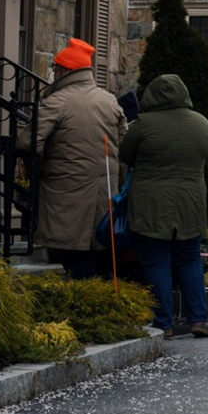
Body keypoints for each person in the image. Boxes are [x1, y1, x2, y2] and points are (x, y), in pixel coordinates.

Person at [21, 38, 133, 280]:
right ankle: (103, 306)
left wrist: (38, 169)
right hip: (106, 194)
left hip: (66, 193)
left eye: (55, 68)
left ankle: (90, 305)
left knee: (73, 254)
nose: (53, 72)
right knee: (99, 253)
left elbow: (27, 142)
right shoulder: (109, 100)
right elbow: (125, 149)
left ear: (64, 70)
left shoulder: (57, 102)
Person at [120, 73, 208, 338]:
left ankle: (163, 322)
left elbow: (124, 154)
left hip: (151, 203)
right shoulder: (201, 123)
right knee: (190, 259)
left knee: (155, 261)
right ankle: (199, 319)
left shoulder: (143, 123)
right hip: (191, 200)